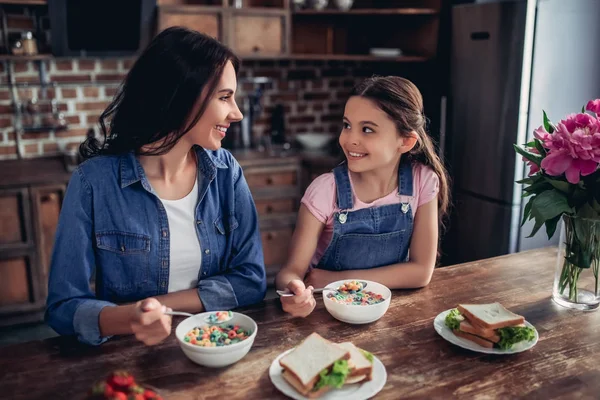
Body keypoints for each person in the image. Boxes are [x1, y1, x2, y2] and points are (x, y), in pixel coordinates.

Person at [45, 27, 266, 346]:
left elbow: (251, 281)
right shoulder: (93, 183)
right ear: (181, 96)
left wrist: (158, 308)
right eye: (224, 97)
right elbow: (62, 308)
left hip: (214, 345)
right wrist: (127, 320)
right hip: (128, 354)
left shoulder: (226, 172)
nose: (237, 113)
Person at [276, 76, 449, 317]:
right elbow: (290, 272)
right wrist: (293, 289)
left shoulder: (423, 181)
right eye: (347, 125)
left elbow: (421, 272)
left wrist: (335, 279)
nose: (350, 139)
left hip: (386, 313)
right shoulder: (326, 190)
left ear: (406, 141)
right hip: (327, 312)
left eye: (367, 129)